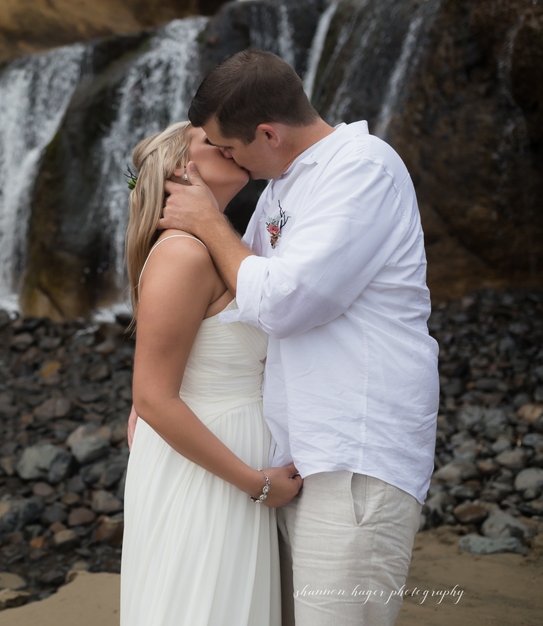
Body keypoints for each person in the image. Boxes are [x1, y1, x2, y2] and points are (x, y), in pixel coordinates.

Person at [151, 50, 440, 626]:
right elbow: (244, 301)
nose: (227, 158)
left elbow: (284, 303)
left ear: (267, 132)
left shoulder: (362, 168)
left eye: (229, 148)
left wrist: (210, 221)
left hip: (353, 454)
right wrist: (157, 392)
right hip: (296, 457)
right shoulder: (286, 184)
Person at [119, 120, 303, 626]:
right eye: (212, 141)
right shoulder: (183, 253)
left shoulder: (218, 246)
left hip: (222, 455)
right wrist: (257, 483)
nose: (230, 143)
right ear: (184, 166)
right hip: (211, 470)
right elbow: (154, 397)